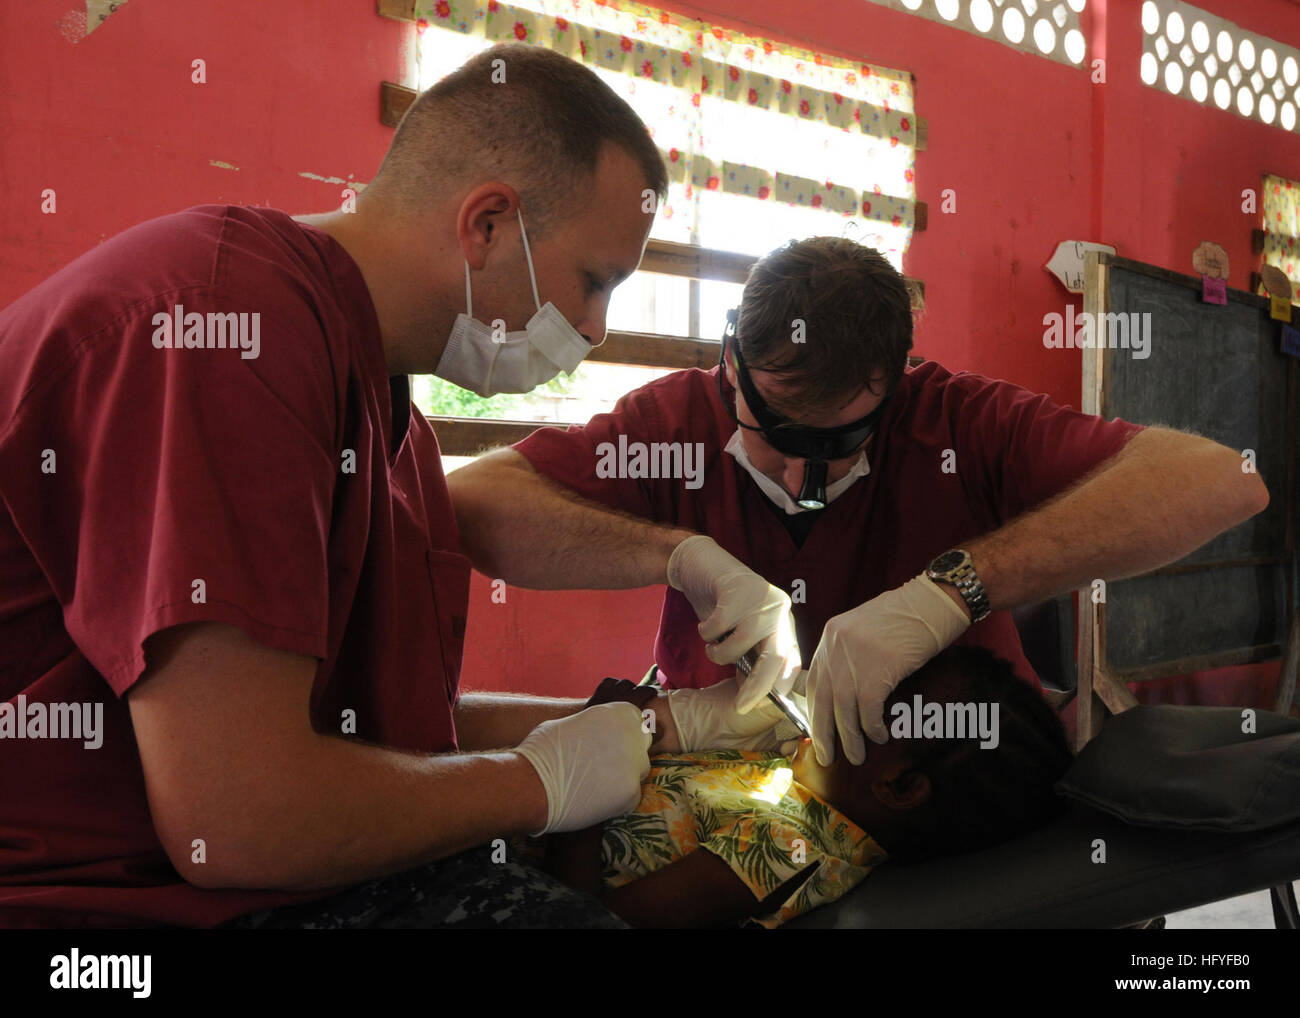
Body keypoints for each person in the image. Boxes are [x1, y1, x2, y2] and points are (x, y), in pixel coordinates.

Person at [0, 43, 793, 929]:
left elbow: (386, 743)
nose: (597, 329)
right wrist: (536, 784)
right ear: (487, 222)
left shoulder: (391, 418)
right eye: (594, 280)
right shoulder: (227, 331)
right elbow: (235, 821)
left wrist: (665, 725)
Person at [448, 236, 1271, 767]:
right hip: (721, 756)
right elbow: (472, 501)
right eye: (779, 434)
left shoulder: (957, 421)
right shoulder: (673, 422)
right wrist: (674, 556)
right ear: (731, 363)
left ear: (896, 384)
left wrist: (954, 591)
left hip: (938, 775)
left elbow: (1223, 478)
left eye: (839, 445)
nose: (807, 483)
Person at [543, 646, 1074, 928]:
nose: (844, 682)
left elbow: (587, 921)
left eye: (876, 695)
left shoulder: (788, 850)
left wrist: (587, 772)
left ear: (899, 783)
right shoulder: (806, 785)